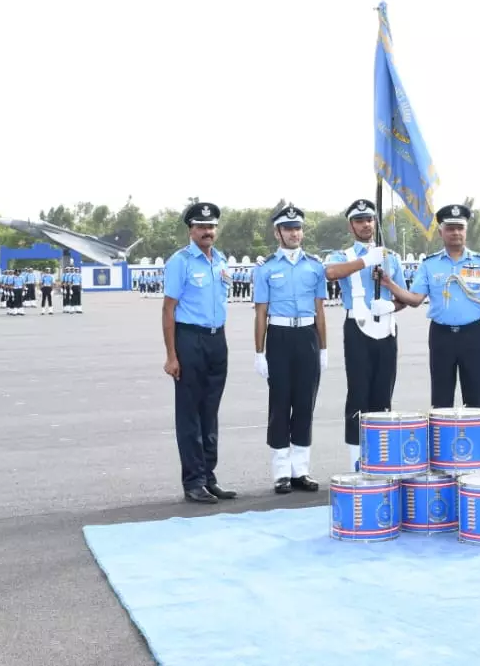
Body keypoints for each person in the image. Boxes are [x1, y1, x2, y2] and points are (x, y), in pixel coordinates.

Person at [380, 204, 480, 409]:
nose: (455, 233)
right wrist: (389, 284)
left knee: (475, 399)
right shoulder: (429, 264)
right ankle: (442, 442)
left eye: (459, 228)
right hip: (441, 336)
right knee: (441, 399)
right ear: (440, 232)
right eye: (450, 228)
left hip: (471, 335)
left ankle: (473, 441)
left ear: (465, 230)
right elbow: (416, 299)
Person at [162, 201, 237, 504]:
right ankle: (193, 480)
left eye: (211, 227)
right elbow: (168, 310)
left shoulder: (219, 260)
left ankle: (209, 476)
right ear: (191, 230)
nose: (207, 231)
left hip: (217, 339)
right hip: (189, 340)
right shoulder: (180, 262)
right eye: (201, 227)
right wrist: (171, 356)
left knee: (210, 412)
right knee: (190, 414)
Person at [253, 204, 328, 493]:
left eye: (297, 228)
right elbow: (261, 312)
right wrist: (259, 352)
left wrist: (323, 348)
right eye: (288, 228)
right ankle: (281, 472)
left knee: (305, 404)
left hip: (307, 335)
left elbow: (320, 310)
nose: (294, 233)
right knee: (281, 402)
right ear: (278, 233)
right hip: (280, 336)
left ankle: (302, 470)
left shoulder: (315, 266)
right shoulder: (266, 268)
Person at [323, 198, 403, 470]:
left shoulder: (391, 257)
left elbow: (404, 295)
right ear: (351, 226)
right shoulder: (343, 256)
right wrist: (365, 261)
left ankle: (380, 458)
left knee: (383, 394)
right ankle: (356, 461)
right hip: (357, 328)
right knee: (358, 394)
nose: (366, 225)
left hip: (387, 328)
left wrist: (392, 304)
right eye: (359, 221)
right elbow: (331, 273)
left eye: (369, 219)